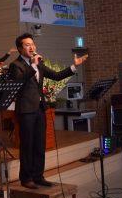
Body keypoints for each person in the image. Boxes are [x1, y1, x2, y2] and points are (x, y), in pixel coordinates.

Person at [9, 33, 87, 189]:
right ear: (19, 48)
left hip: (40, 108)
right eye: (27, 45)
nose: (32, 47)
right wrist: (32, 65)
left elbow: (56, 76)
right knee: (27, 144)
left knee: (40, 143)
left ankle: (38, 176)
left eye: (33, 44)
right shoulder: (16, 65)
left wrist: (74, 67)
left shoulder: (39, 63)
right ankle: (26, 178)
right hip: (26, 109)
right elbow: (19, 80)